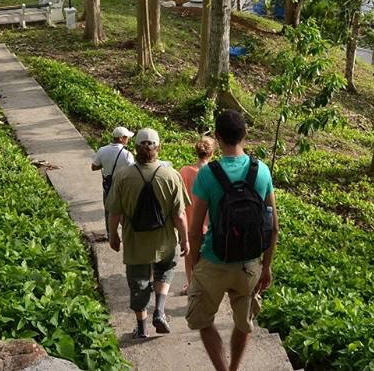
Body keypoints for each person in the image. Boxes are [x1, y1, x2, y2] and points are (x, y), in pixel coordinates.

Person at [186, 110, 279, 371]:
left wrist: (194, 265)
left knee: (204, 321)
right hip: (248, 264)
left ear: (217, 137)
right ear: (245, 134)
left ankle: (222, 370)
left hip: (214, 261)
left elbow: (195, 231)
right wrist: (267, 266)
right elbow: (273, 227)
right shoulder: (261, 170)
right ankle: (234, 368)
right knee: (243, 323)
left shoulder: (207, 174)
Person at [107, 128, 190, 339]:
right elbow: (179, 215)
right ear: (158, 147)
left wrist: (112, 234)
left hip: (135, 241)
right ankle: (160, 311)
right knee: (165, 271)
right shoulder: (171, 176)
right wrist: (185, 239)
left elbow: (114, 211)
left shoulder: (123, 176)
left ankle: (142, 327)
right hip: (164, 241)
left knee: (138, 282)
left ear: (135, 148)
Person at [179, 136, 215, 294]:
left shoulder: (185, 172)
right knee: (208, 260)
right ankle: (206, 287)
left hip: (189, 223)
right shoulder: (215, 173)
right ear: (212, 153)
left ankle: (191, 285)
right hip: (211, 225)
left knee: (189, 258)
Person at [92, 126, 135, 241]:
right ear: (121, 138)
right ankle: (127, 234)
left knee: (108, 211)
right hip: (122, 188)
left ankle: (110, 234)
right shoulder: (127, 155)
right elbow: (133, 172)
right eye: (126, 137)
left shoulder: (102, 150)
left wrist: (106, 165)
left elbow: (94, 167)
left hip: (108, 187)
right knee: (124, 212)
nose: (128, 140)